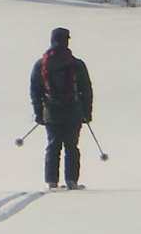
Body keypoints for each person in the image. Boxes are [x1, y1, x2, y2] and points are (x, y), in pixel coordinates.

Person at [30, 27, 93, 190]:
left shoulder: (41, 64)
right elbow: (86, 89)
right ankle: (72, 180)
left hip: (51, 112)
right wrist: (87, 113)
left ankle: (51, 181)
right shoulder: (76, 64)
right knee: (71, 146)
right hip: (73, 111)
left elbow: (35, 90)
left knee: (53, 145)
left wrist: (39, 113)